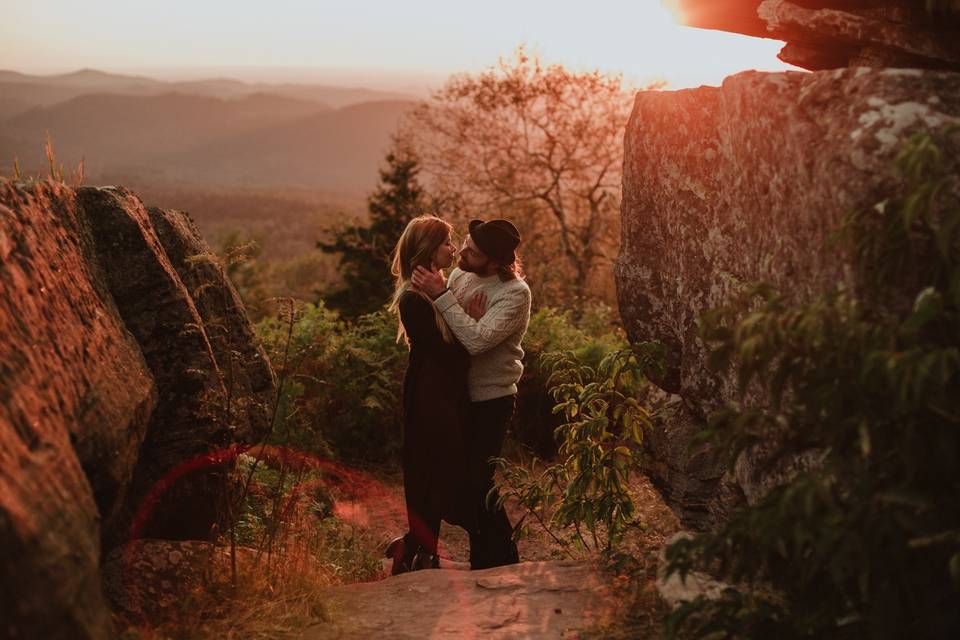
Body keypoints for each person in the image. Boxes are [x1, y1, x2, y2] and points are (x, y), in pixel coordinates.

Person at [412, 218, 531, 570]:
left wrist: (445, 298)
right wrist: (459, 311)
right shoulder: (462, 276)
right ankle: (491, 557)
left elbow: (476, 341)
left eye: (474, 252)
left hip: (492, 400)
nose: (462, 252)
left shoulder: (514, 294)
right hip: (457, 396)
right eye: (464, 243)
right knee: (457, 482)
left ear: (495, 262)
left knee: (478, 482)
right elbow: (453, 329)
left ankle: (499, 559)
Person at [384, 215, 480, 575]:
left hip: (441, 395)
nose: (452, 250)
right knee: (431, 471)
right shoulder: (413, 299)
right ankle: (419, 549)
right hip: (429, 398)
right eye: (445, 244)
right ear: (426, 249)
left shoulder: (437, 291)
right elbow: (452, 354)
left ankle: (417, 547)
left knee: (436, 472)